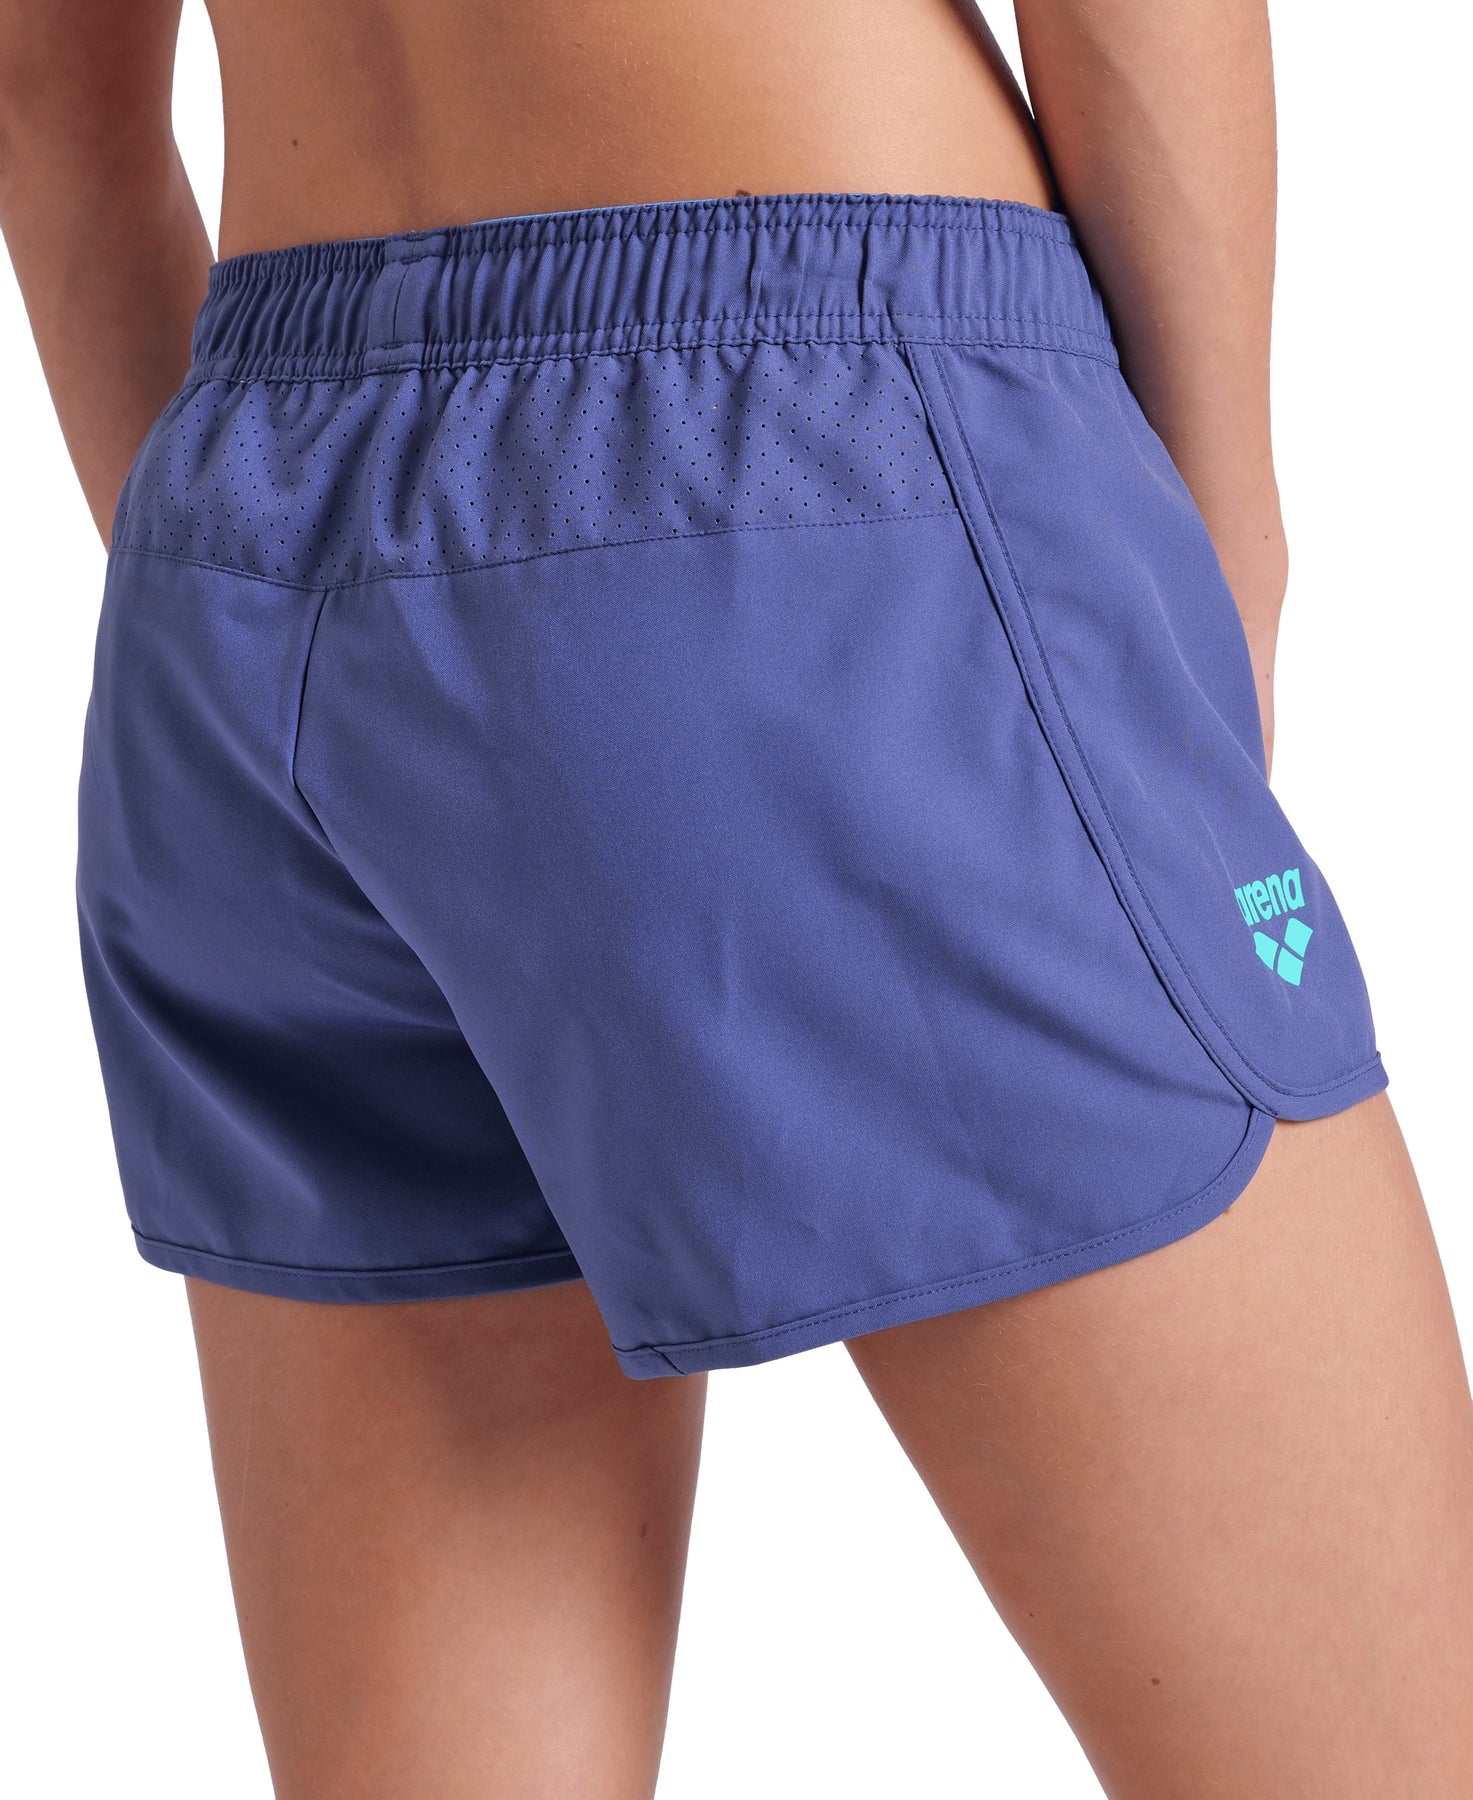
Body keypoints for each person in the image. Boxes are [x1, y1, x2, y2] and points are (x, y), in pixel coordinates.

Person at [2, 1, 1470, 1794]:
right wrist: (1217, 567)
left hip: (245, 551)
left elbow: (48, 102)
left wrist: (272, 589)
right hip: (805, 439)